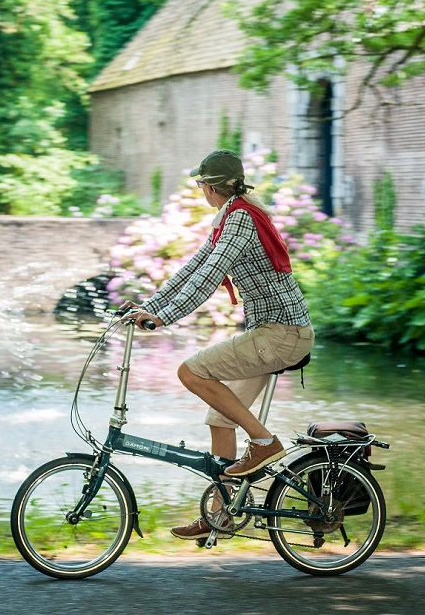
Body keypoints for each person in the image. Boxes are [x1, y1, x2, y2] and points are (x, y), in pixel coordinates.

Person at [126, 149, 314, 541]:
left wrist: (164, 317)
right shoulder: (232, 216)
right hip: (273, 332)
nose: (200, 191)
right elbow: (194, 268)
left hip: (281, 334)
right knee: (220, 418)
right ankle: (221, 516)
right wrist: (150, 306)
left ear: (211, 186)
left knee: (190, 371)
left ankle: (264, 442)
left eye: (200, 185)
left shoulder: (241, 218)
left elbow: (210, 275)